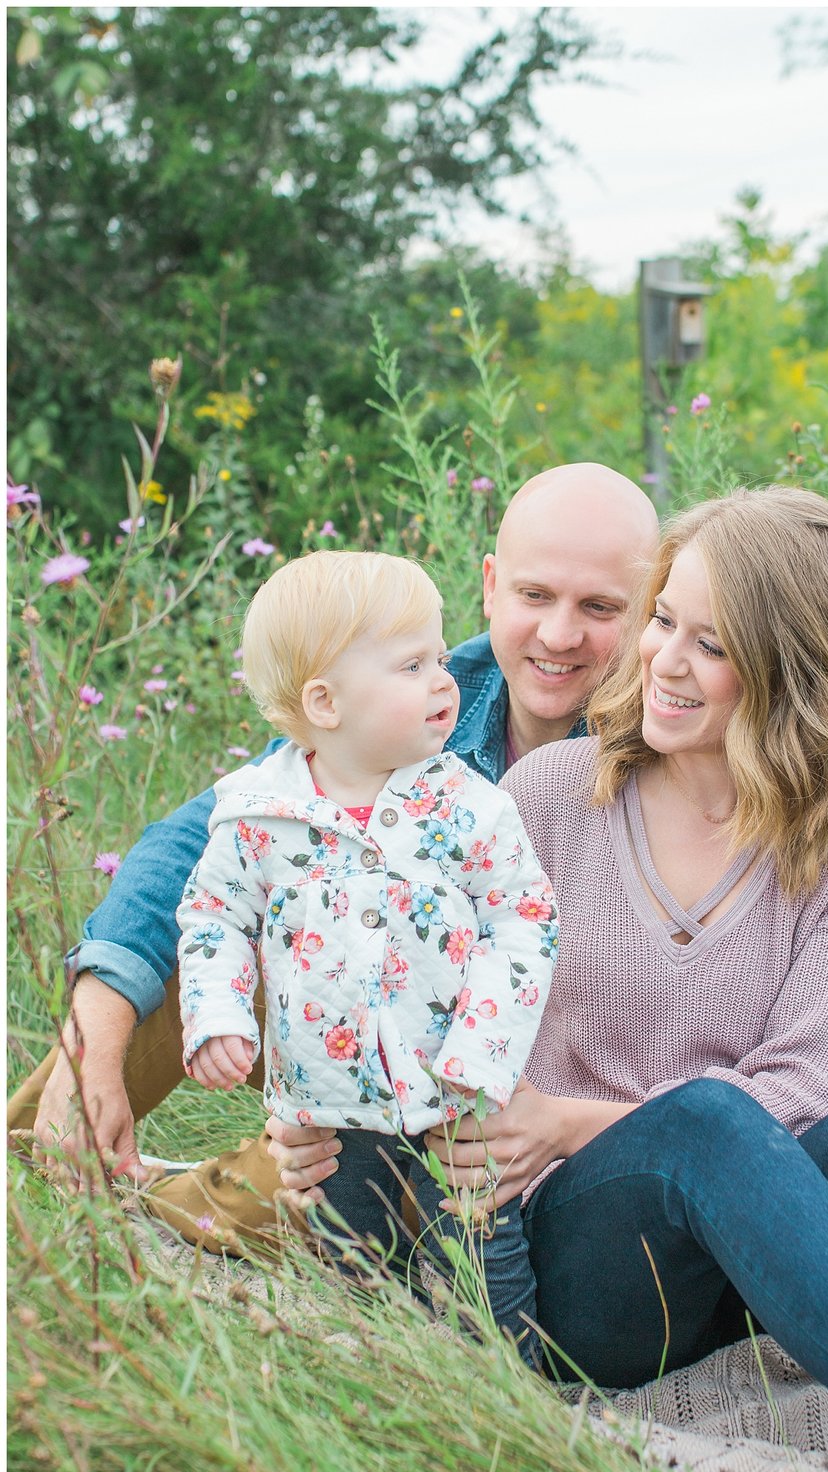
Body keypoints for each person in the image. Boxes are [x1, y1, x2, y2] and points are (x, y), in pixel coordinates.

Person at [268, 487, 828, 1472]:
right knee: (704, 1119)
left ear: (796, 670)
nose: (664, 658)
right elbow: (399, 995)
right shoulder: (548, 797)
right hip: (586, 1266)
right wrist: (310, 1105)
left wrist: (571, 1115)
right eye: (662, 621)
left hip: (765, 1252)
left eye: (714, 642)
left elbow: (821, 1082)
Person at [11, 462, 828, 1247]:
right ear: (490, 586)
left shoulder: (702, 741)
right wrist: (98, 1028)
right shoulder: (415, 703)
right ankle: (44, 1170)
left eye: (603, 607)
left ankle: (218, 1201)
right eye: (535, 597)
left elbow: (818, 1005)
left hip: (528, 1106)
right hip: (369, 1038)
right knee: (224, 928)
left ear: (653, 606)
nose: (561, 635)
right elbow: (207, 837)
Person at [176, 549, 556, 1361]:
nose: (445, 677)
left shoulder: (463, 804)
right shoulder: (259, 815)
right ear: (326, 701)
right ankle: (370, 1371)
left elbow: (524, 917)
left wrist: (483, 1050)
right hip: (327, 1101)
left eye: (440, 653)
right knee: (349, 1258)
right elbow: (214, 914)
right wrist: (216, 1013)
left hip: (455, 1089)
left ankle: (504, 1389)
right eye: (414, 663)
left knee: (481, 1255)